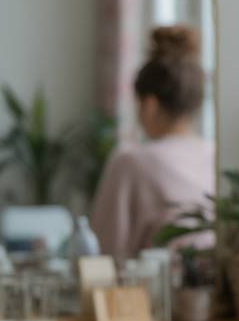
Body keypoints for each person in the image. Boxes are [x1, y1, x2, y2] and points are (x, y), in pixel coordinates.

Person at [90, 25, 214, 260]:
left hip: (150, 294)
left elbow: (104, 253)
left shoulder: (131, 161)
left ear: (149, 105)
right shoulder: (216, 155)